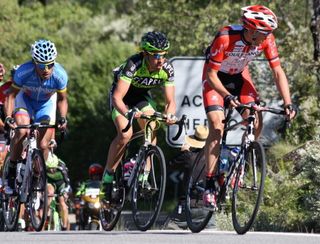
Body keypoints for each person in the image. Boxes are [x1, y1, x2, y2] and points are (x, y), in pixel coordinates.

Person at [202, 5, 297, 209]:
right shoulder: (225, 37)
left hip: (239, 78)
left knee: (255, 118)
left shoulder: (267, 40)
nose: (268, 37)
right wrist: (226, 97)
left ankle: (239, 161)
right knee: (217, 126)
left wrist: (288, 103)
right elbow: (211, 74)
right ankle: (209, 184)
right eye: (264, 33)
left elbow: (278, 72)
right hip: (215, 79)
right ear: (252, 30)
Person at [101, 31, 176, 203]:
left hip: (141, 98)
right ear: (146, 54)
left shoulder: (167, 69)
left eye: (164, 55)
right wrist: (127, 113)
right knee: (125, 134)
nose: (161, 60)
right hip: (121, 98)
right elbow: (117, 97)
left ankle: (144, 176)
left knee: (153, 126)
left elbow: (170, 101)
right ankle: (108, 176)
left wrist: (170, 114)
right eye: (156, 55)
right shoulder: (133, 64)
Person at [4, 39, 68, 194]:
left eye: (50, 64)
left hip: (45, 104)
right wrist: (8, 117)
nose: (46, 69)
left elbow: (62, 99)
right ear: (34, 63)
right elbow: (10, 96)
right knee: (22, 131)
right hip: (24, 100)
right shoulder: (23, 72)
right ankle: (12, 167)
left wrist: (63, 118)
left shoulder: (60, 75)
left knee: (44, 145)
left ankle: (38, 173)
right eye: (41, 65)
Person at [166, 125, 210, 230]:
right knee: (210, 233)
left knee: (170, 229)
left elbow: (170, 165)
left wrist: (184, 152)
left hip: (188, 206)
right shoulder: (214, 159)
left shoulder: (188, 156)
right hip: (208, 208)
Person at [45, 139, 71, 231]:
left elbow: (68, 182)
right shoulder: (44, 166)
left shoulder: (61, 166)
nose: (51, 171)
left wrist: (66, 191)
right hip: (50, 183)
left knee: (62, 202)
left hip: (61, 183)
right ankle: (46, 217)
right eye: (49, 169)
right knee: (50, 194)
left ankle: (64, 226)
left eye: (53, 169)